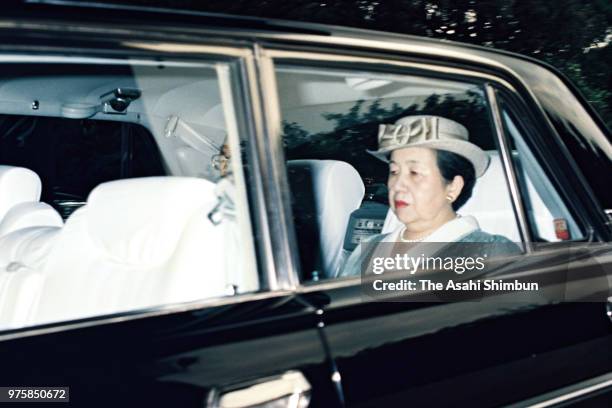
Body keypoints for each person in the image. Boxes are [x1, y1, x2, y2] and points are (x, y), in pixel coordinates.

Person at [338, 114, 519, 278]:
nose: (397, 184)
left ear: (453, 187)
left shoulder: (492, 252)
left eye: (414, 172)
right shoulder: (369, 247)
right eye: (394, 171)